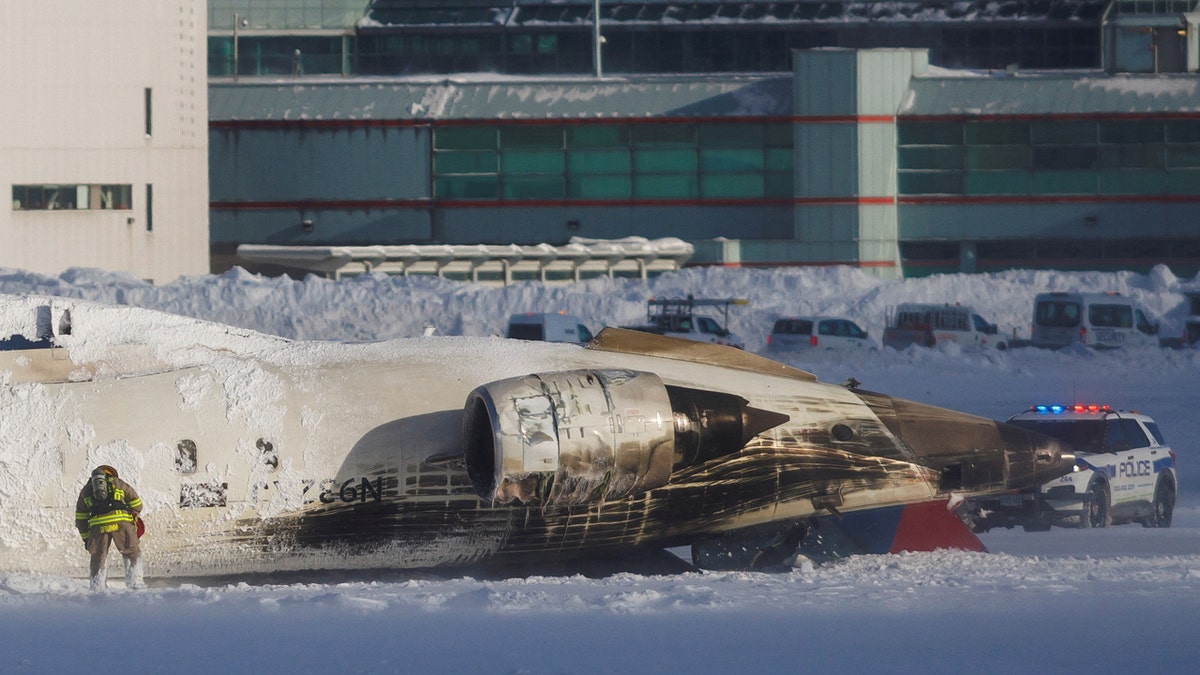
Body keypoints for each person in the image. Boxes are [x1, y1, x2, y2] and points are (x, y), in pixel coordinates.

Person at [75, 465, 144, 590]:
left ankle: (97, 586)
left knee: (98, 556)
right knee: (131, 552)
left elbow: (81, 518)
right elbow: (137, 504)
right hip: (121, 524)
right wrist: (131, 515)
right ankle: (136, 582)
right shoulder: (119, 483)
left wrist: (86, 539)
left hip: (98, 526)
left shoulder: (86, 490)